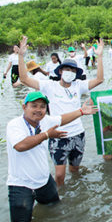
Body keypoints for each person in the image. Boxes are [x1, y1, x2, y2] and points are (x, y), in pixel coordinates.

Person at [5, 90, 97, 222]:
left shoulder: (45, 121)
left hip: (44, 181)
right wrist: (47, 134)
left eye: (42, 107)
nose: (38, 110)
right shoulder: (14, 125)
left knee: (54, 208)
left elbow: (62, 119)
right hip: (21, 184)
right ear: (24, 107)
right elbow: (20, 146)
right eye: (34, 106)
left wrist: (81, 111)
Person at [17, 36, 104, 183]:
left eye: (72, 70)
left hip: (78, 134)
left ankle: (76, 191)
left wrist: (99, 56)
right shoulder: (50, 85)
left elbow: (99, 80)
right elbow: (25, 80)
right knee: (59, 175)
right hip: (58, 135)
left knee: (75, 169)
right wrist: (20, 56)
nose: (69, 72)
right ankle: (60, 198)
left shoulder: (78, 86)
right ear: (61, 71)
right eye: (67, 69)